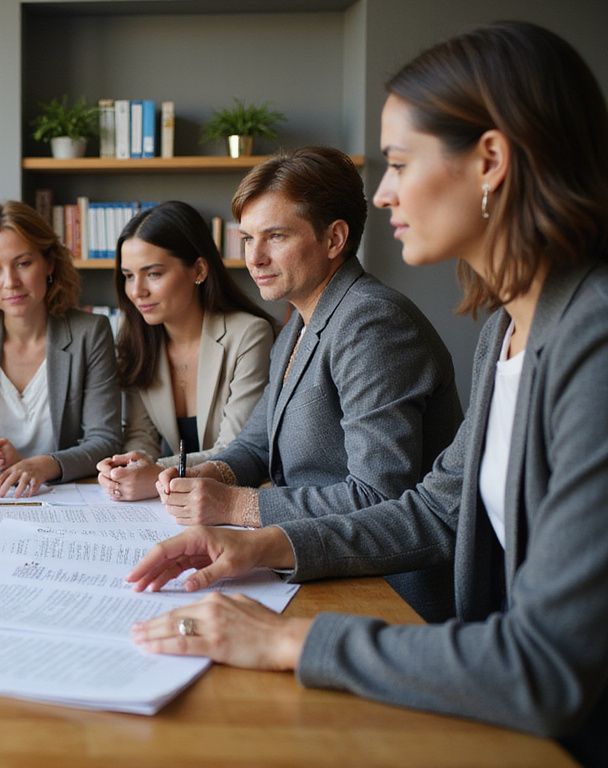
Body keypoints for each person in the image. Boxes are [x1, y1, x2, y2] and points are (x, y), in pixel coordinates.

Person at [127, 22, 608, 765]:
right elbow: (437, 508)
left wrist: (290, 637)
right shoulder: (504, 330)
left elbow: (545, 666)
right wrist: (263, 543)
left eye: (399, 162)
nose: (383, 192)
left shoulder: (593, 337)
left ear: (489, 160)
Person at [151, 146, 463, 622]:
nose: (253, 257)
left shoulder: (372, 323)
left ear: (334, 238)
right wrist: (210, 475)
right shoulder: (298, 319)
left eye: (274, 236)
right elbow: (256, 443)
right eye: (247, 238)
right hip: (312, 566)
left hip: (387, 589)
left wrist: (236, 503)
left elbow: (378, 496)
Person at [0, 200, 121, 497]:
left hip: (65, 498)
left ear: (49, 264)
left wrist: (43, 465)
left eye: (23, 263)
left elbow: (105, 439)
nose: (10, 283)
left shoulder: (90, 333)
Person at [95, 201, 275, 501]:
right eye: (128, 275)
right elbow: (142, 435)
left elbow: (236, 449)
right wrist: (126, 466)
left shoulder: (249, 335)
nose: (137, 290)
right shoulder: (135, 340)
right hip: (178, 500)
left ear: (199, 270)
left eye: (153, 273)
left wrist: (155, 471)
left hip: (235, 496)